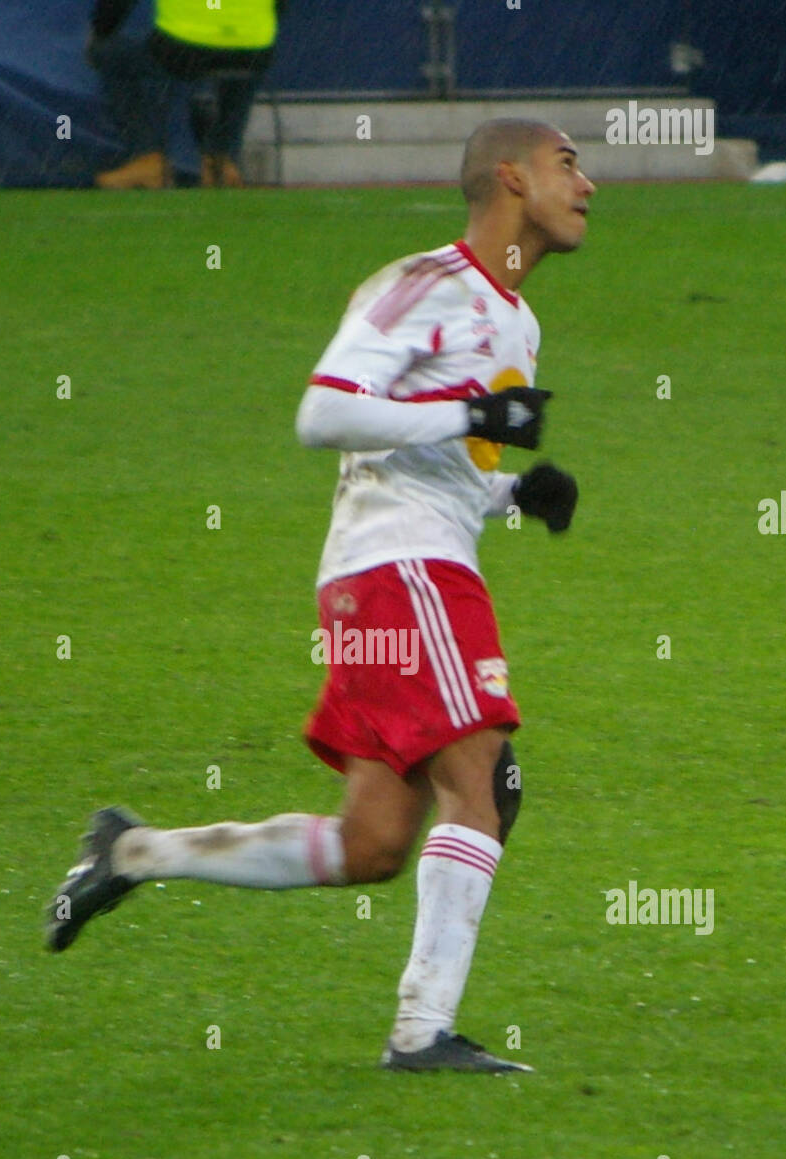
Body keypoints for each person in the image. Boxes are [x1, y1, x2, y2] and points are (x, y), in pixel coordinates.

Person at [45, 119, 596, 1074]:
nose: (587, 183)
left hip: (398, 571)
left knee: (375, 841)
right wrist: (472, 413)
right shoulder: (428, 285)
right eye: (566, 163)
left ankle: (134, 852)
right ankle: (422, 1034)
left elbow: (421, 463)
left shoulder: (516, 318)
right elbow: (324, 413)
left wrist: (513, 495)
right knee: (484, 785)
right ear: (510, 176)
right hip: (403, 575)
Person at [87, 0, 282, 189]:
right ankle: (221, 160)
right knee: (243, 64)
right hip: (254, 42)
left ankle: (147, 157)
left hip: (184, 45)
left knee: (110, 56)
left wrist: (102, 31)